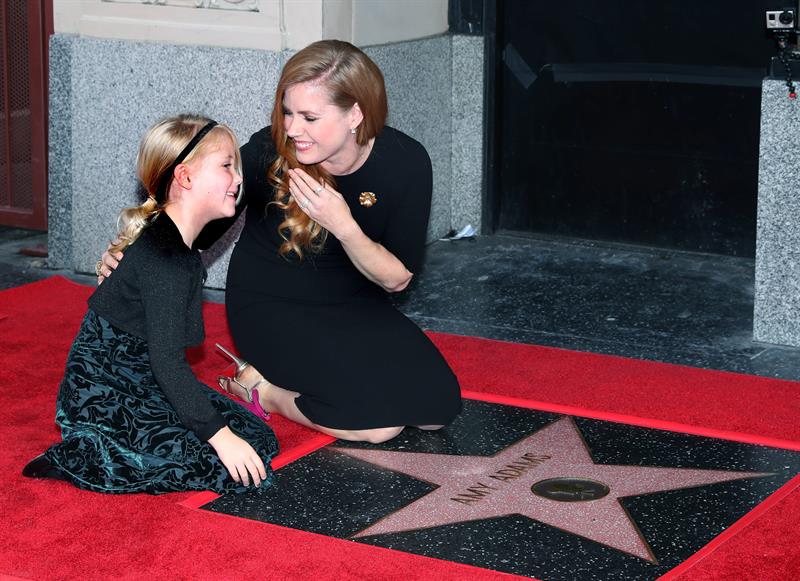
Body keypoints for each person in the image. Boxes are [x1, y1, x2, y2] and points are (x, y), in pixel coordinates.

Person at [99, 40, 462, 444]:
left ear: (355, 114)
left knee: (437, 407)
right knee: (378, 425)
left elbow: (396, 280)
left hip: (355, 307)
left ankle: (314, 377)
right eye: (288, 113)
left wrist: (343, 225)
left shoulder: (405, 162)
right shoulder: (269, 152)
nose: (292, 128)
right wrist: (131, 255)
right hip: (270, 307)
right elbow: (192, 220)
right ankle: (262, 391)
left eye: (309, 117)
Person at [23, 114, 278, 494]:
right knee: (225, 465)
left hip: (144, 378)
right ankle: (84, 452)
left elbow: (163, 363)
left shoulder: (178, 240)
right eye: (227, 166)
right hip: (105, 391)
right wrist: (220, 438)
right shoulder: (166, 260)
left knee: (257, 438)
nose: (238, 179)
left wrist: (223, 433)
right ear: (185, 178)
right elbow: (168, 363)